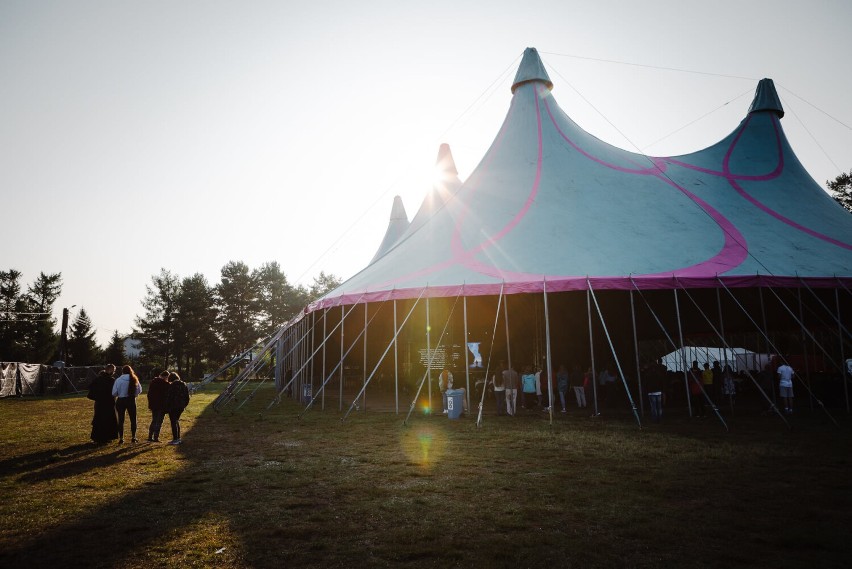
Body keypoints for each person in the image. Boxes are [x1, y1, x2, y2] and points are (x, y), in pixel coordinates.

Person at [87, 364, 118, 444]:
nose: (114, 372)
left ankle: (97, 437)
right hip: (108, 403)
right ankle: (107, 437)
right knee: (108, 419)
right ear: (111, 370)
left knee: (98, 419)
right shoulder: (111, 380)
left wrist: (97, 397)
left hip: (99, 402)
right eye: (113, 370)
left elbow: (91, 387)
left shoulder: (98, 379)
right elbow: (114, 392)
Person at [112, 364, 142, 443]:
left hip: (121, 400)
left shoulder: (118, 380)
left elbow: (114, 393)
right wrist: (134, 395)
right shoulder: (134, 379)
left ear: (122, 371)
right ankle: (133, 437)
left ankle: (121, 438)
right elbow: (139, 390)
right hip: (131, 400)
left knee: (121, 420)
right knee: (133, 419)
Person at [165, 371, 190, 445]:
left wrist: (167, 406)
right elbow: (187, 397)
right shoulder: (184, 384)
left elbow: (169, 397)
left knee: (173, 422)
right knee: (176, 421)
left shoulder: (172, 385)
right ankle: (178, 438)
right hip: (181, 406)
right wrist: (184, 405)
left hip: (173, 406)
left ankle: (175, 438)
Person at [147, 370, 170, 442]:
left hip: (153, 405)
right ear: (166, 377)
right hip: (161, 405)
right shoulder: (166, 384)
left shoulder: (153, 382)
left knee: (154, 420)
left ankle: (150, 436)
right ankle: (156, 437)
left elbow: (149, 394)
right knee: (159, 421)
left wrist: (150, 404)